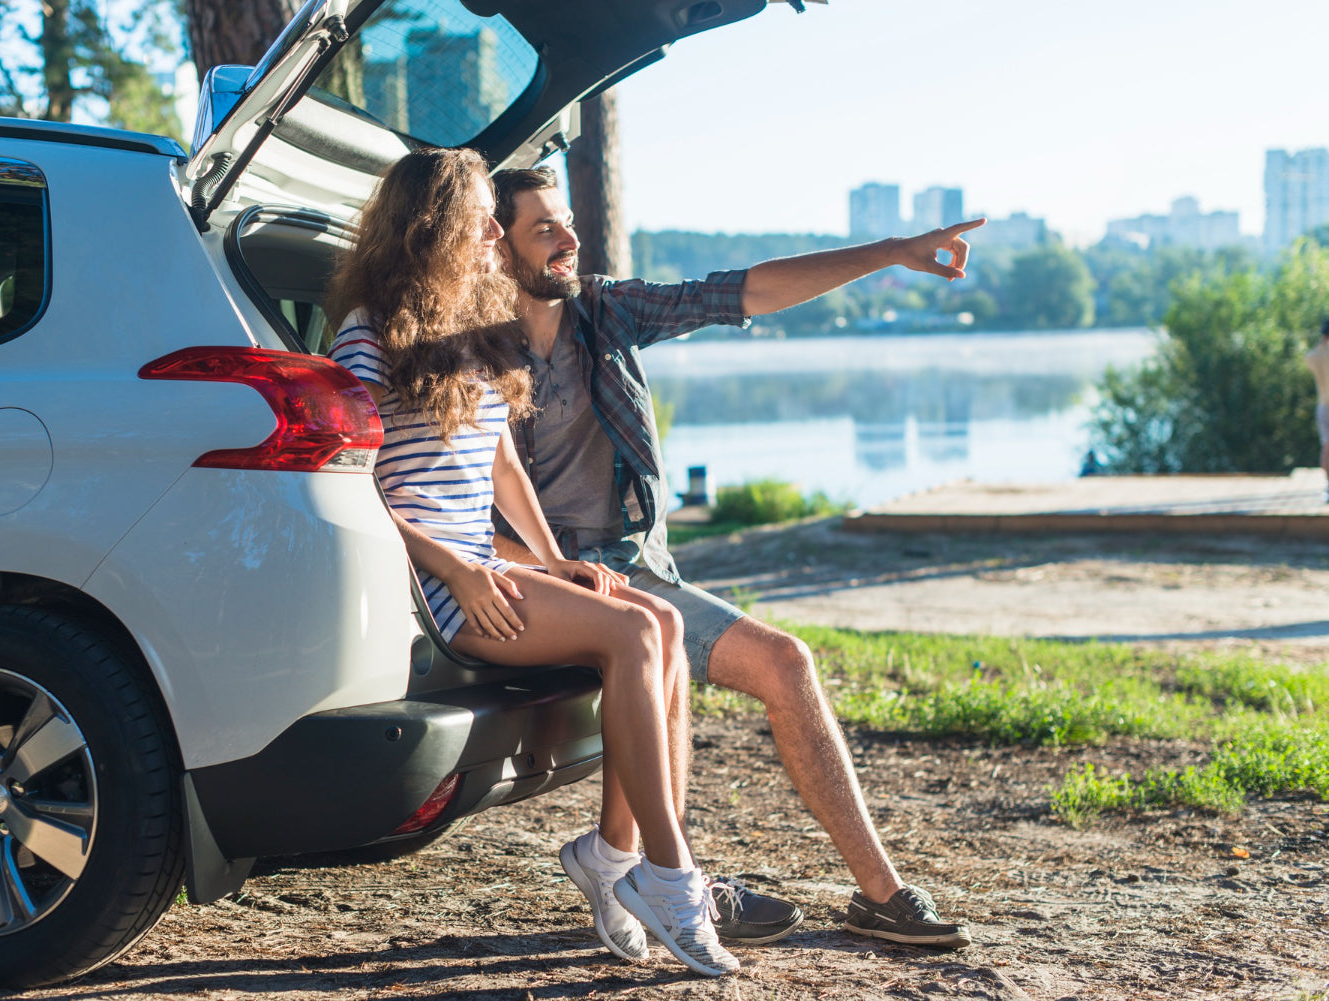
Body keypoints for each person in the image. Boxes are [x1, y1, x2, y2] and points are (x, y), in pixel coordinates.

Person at [489, 164, 980, 950]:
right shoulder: (470, 353)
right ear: (497, 243)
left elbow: (741, 291)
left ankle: (881, 895)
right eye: (544, 228)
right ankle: (675, 880)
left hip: (634, 569)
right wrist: (552, 566)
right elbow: (457, 507)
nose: (568, 239)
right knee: (657, 642)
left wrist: (890, 251)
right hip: (537, 581)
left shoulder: (605, 312)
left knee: (786, 661)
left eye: (568, 221)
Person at [326, 148, 739, 977]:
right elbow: (351, 488)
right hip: (438, 590)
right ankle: (668, 874)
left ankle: (615, 858)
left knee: (655, 620)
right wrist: (460, 571)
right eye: (480, 215)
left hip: (490, 571)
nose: (491, 230)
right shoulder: (368, 333)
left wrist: (551, 560)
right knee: (634, 636)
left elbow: (498, 466)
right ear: (432, 223)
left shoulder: (474, 321)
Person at [1304, 318, 1329, 501]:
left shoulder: (1315, 355)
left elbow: (1308, 357)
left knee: (1326, 446)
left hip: (1322, 405)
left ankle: (1328, 485)